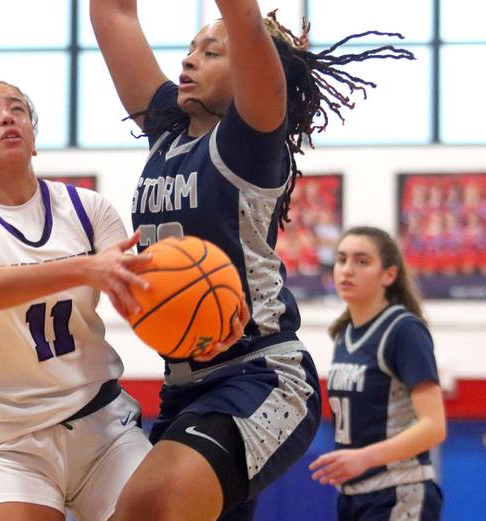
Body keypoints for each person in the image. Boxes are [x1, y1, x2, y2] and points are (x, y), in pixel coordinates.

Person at [90, 0, 416, 519]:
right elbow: (114, 15)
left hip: (259, 375)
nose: (191, 59)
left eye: (212, 52)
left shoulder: (250, 141)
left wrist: (241, 30)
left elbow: (243, 18)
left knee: (145, 507)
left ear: (249, 70)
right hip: (182, 387)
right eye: (191, 49)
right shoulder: (168, 134)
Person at [0, 79, 152, 521]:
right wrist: (81, 268)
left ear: (33, 141)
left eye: (18, 109)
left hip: (102, 424)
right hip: (9, 437)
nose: (7, 116)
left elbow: (141, 299)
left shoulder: (89, 208)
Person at [309, 226, 446, 521]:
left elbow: (435, 426)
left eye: (361, 261)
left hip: (400, 491)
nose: (347, 270)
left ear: (389, 275)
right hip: (352, 496)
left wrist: (364, 458)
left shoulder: (404, 330)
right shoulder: (344, 335)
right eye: (341, 259)